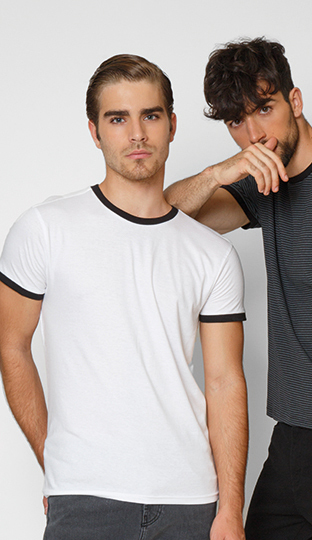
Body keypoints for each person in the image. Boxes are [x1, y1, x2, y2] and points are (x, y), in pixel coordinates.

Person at [165, 37, 312, 539]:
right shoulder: (266, 182)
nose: (255, 135)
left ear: (294, 101)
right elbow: (166, 220)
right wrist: (218, 173)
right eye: (237, 122)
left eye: (264, 109)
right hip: (291, 437)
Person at [0, 54, 248, 540]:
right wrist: (55, 461)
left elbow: (225, 382)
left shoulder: (213, 255)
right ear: (95, 132)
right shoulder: (45, 228)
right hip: (85, 497)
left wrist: (231, 509)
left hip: (190, 500)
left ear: (172, 125)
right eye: (118, 119)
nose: (137, 134)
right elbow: (11, 346)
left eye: (150, 116)